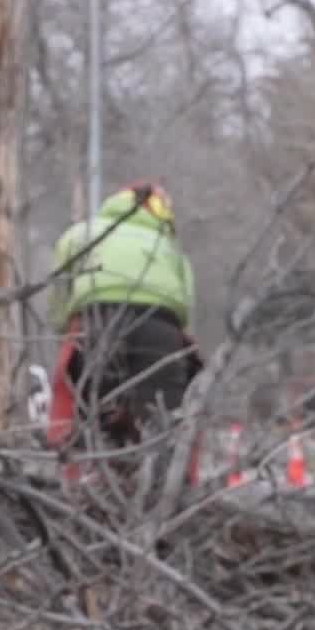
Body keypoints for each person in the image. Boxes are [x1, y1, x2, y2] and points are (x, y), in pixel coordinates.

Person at [43, 179, 204, 482]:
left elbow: (59, 292)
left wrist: (62, 328)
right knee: (162, 423)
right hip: (161, 328)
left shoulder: (83, 234)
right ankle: (166, 498)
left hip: (96, 322)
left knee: (96, 418)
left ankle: (91, 489)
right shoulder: (169, 248)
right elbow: (185, 306)